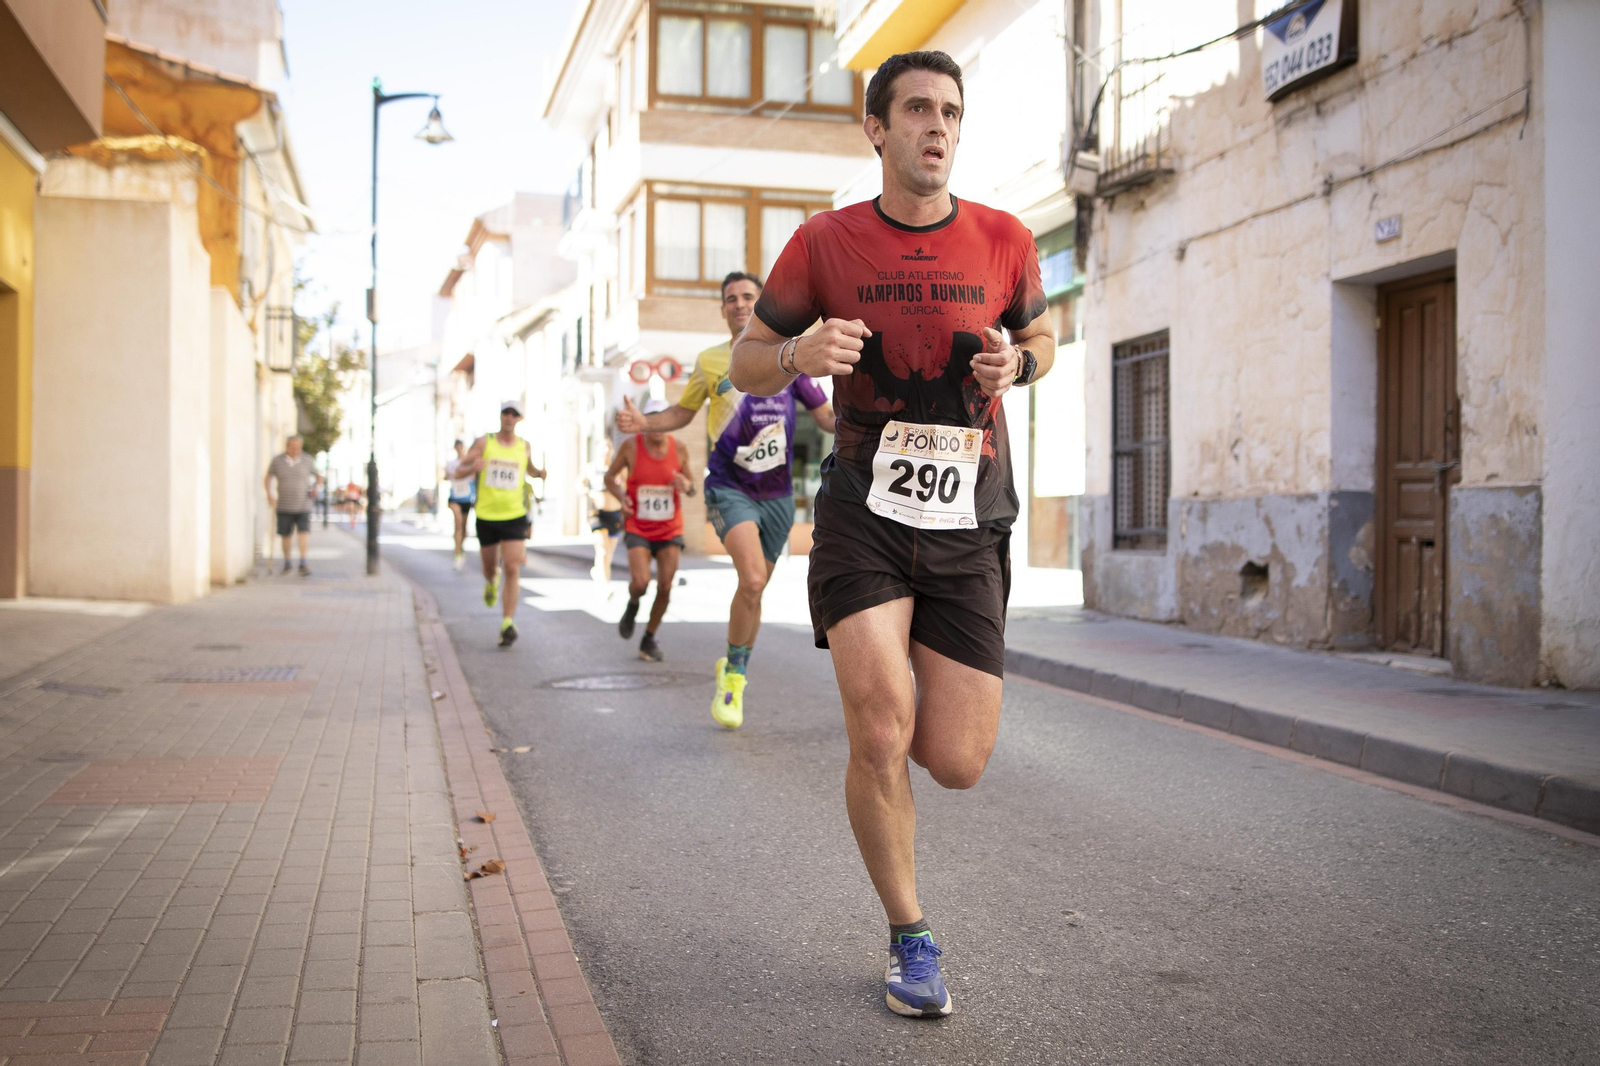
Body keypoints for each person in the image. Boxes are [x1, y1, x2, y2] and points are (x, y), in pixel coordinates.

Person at [728, 51, 1055, 1019]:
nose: (937, 127)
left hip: (968, 519)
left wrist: (1018, 369)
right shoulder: (824, 244)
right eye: (916, 109)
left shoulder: (1005, 239)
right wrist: (795, 351)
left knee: (953, 758)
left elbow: (1042, 336)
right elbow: (749, 361)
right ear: (876, 129)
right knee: (879, 729)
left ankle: (910, 711)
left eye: (950, 111)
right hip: (864, 512)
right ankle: (911, 934)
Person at [617, 271, 835, 728]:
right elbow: (682, 411)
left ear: (761, 305)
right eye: (731, 298)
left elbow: (826, 416)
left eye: (748, 297)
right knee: (753, 579)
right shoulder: (712, 360)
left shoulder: (788, 357)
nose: (739, 304)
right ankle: (734, 679)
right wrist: (646, 424)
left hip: (777, 492)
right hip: (728, 486)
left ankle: (734, 663)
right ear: (722, 310)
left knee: (754, 592)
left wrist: (879, 419)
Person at [604, 400, 695, 663]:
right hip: (638, 526)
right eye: (651, 416)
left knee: (665, 587)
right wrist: (621, 496)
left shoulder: (679, 448)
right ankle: (633, 603)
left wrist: (685, 484)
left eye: (662, 416)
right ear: (644, 420)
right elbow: (609, 477)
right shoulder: (630, 446)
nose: (657, 422)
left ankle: (649, 637)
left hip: (669, 528)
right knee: (641, 583)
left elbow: (692, 489)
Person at [458, 400, 547, 647]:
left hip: (514, 515)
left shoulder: (524, 446)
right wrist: (472, 466)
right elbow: (460, 468)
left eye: (514, 414)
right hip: (486, 516)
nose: (509, 417)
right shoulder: (484, 442)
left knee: (512, 567)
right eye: (505, 413)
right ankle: (490, 581)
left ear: (519, 419)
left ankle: (507, 621)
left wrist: (539, 473)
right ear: (500, 416)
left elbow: (528, 470)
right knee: (490, 568)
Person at [264, 435, 322, 576]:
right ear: (287, 446)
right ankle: (287, 562)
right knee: (286, 535)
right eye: (293, 447)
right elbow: (268, 477)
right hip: (284, 504)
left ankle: (303, 561)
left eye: (299, 447)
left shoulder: (307, 460)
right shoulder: (277, 461)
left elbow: (319, 476)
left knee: (303, 533)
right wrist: (269, 494)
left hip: (303, 504)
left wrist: (316, 488)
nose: (296, 450)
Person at [586, 442, 624, 589]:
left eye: (609, 447)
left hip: (614, 514)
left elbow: (626, 488)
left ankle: (598, 572)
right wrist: (586, 491)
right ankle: (605, 586)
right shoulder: (590, 468)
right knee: (602, 549)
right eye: (603, 446)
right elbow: (580, 484)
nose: (606, 450)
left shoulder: (618, 469)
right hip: (597, 513)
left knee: (608, 552)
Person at [444, 439, 477, 570]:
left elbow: (474, 476)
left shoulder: (471, 463)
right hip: (455, 497)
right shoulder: (451, 463)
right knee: (457, 522)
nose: (459, 449)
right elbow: (446, 476)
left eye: (461, 447)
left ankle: (460, 547)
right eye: (457, 447)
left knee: (463, 527)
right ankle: (457, 552)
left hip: (467, 497)